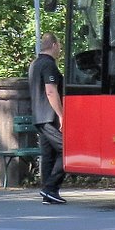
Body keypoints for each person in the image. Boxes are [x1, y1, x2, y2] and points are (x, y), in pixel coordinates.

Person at [28, 32, 67, 204]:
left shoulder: (34, 64)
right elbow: (51, 91)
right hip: (49, 116)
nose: (60, 49)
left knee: (49, 155)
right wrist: (61, 115)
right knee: (67, 151)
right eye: (59, 45)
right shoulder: (49, 65)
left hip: (38, 116)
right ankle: (50, 188)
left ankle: (48, 194)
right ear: (53, 45)